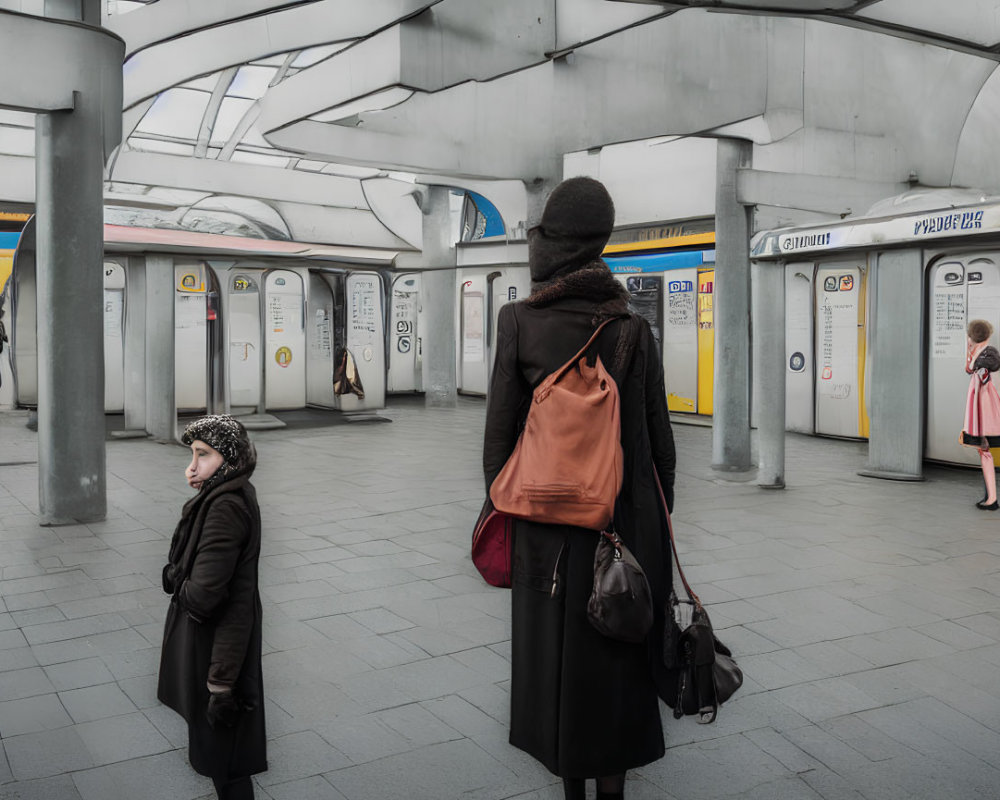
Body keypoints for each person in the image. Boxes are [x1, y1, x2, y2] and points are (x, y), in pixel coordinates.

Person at [483, 177, 676, 800]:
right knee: (614, 661)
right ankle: (612, 789)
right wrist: (649, 523)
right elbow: (657, 450)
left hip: (544, 533)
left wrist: (525, 505)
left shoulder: (517, 321)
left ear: (553, 243)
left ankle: (569, 785)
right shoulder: (631, 329)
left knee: (553, 666)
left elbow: (498, 445)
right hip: (619, 526)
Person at [158, 415, 267, 799]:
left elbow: (204, 596)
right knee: (225, 757)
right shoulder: (227, 495)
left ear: (229, 459)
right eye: (192, 455)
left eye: (203, 455)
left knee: (226, 759)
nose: (192, 466)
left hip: (216, 648)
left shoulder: (224, 508)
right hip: (222, 644)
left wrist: (174, 577)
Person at [962, 319, 1000, 510]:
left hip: (983, 407)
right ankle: (990, 497)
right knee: (984, 452)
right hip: (983, 405)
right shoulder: (980, 354)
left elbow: (986, 367)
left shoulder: (984, 354)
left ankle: (992, 499)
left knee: (984, 451)